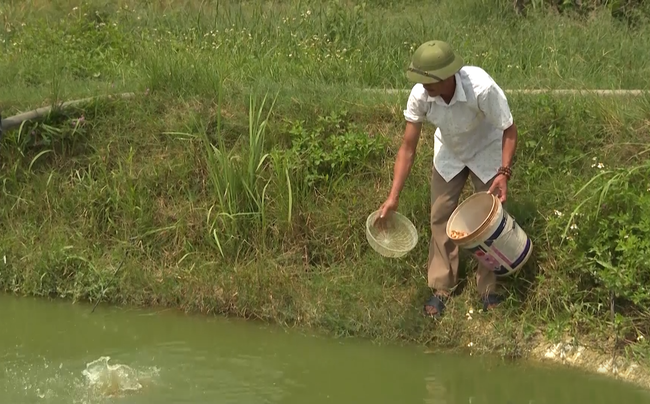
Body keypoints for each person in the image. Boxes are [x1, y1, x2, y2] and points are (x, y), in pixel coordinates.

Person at [376, 40, 518, 317]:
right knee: (440, 216)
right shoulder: (420, 95)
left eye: (429, 80)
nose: (423, 86)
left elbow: (509, 128)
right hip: (450, 152)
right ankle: (443, 285)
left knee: (487, 220)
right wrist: (393, 197)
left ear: (447, 76)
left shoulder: (481, 87)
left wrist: (504, 172)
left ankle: (488, 288)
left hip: (486, 149)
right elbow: (408, 147)